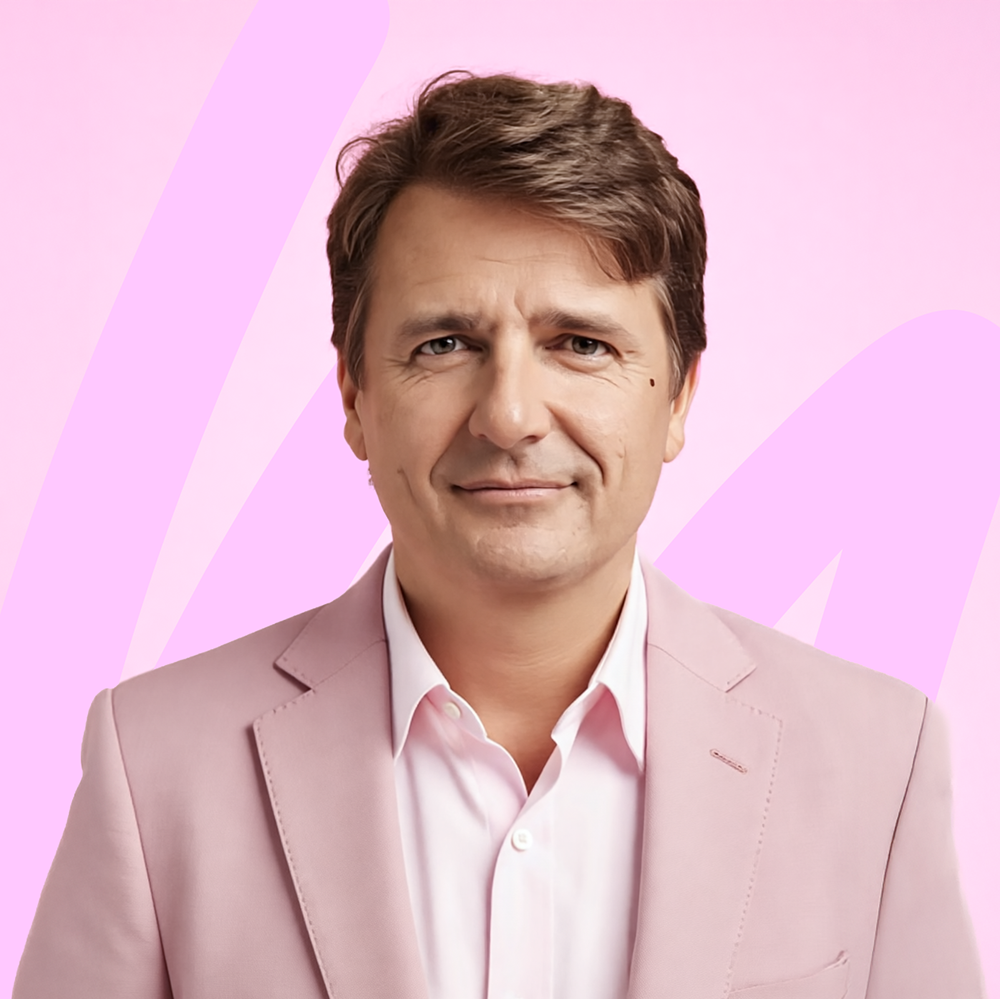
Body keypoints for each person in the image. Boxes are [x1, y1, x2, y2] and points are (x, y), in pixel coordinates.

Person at [14, 72, 983, 999]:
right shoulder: (157, 766)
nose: (511, 415)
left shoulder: (876, 763)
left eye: (581, 344)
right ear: (353, 394)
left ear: (680, 396)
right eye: (444, 344)